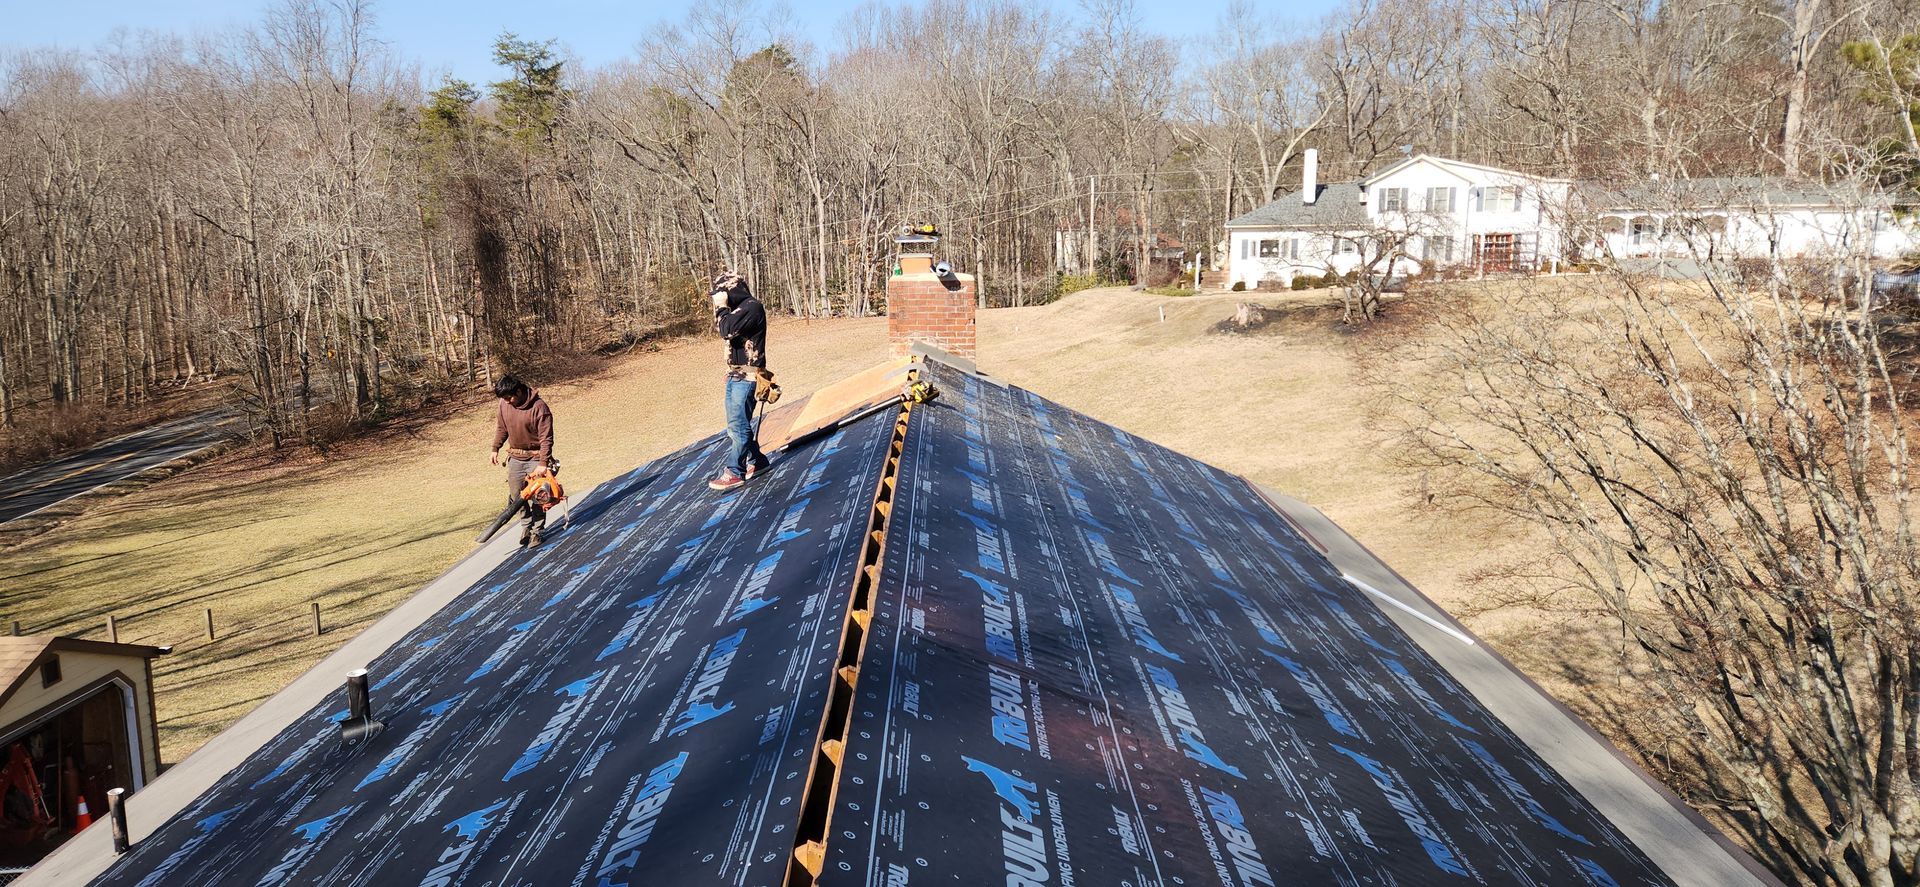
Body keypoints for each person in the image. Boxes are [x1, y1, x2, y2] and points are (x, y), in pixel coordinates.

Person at [709, 271, 769, 491]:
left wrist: (721, 307)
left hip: (748, 377)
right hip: (737, 374)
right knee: (736, 425)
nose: (718, 299)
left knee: (738, 426)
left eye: (722, 293)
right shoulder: (739, 310)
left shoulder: (752, 307)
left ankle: (735, 471)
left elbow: (725, 330)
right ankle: (758, 462)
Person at [484, 374, 556, 546]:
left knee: (538, 495)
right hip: (515, 457)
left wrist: (543, 464)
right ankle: (526, 526)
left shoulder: (540, 408)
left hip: (536, 457)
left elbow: (546, 439)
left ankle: (537, 532)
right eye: (504, 399)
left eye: (509, 397)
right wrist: (495, 448)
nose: (507, 401)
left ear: (519, 391)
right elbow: (502, 428)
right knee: (517, 495)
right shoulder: (504, 404)